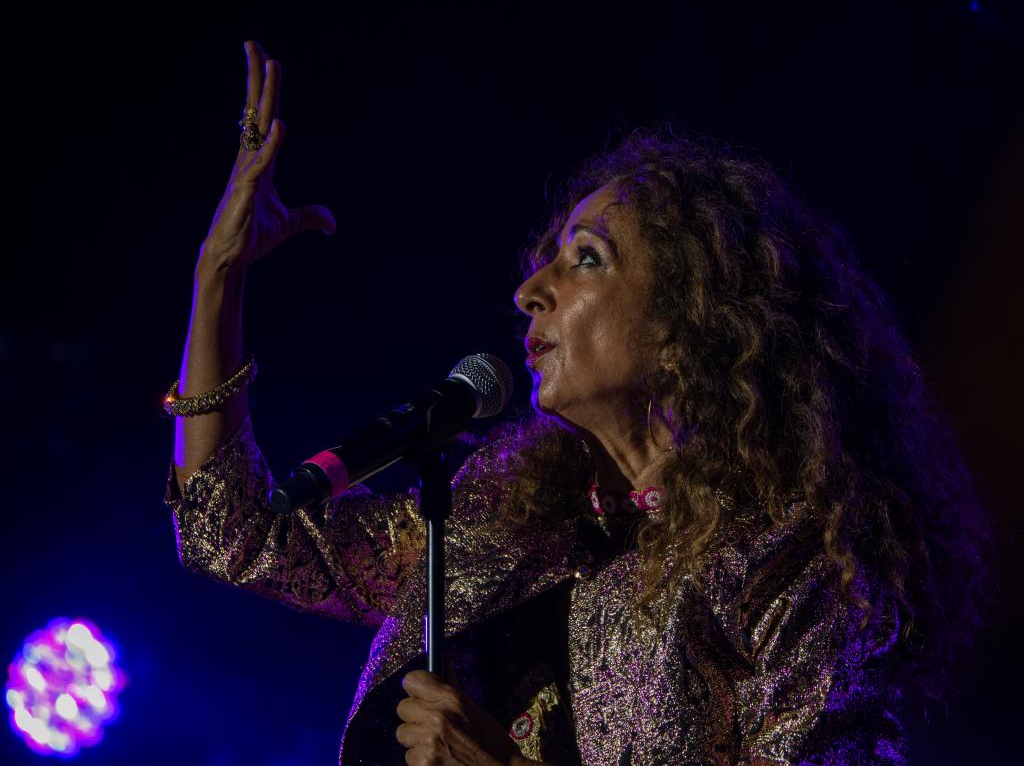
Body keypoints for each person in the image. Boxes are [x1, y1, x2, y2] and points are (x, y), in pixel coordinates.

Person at [163, 41, 991, 766]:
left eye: (585, 259)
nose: (529, 289)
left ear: (687, 322)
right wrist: (217, 274)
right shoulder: (499, 518)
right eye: (548, 258)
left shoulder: (795, 565)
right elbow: (235, 533)